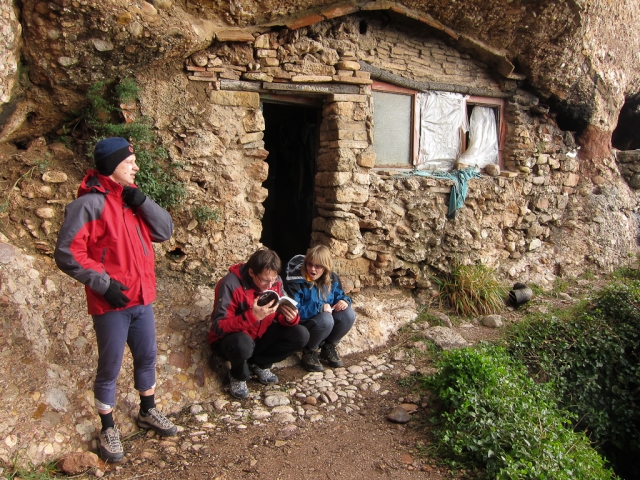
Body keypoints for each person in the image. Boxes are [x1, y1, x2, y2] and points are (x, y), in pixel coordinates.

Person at [54, 137, 177, 463]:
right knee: (109, 367)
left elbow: (165, 231)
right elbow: (67, 253)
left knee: (147, 356)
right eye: (129, 161)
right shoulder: (88, 206)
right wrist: (103, 283)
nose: (136, 166)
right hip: (110, 305)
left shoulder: (132, 201)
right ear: (112, 165)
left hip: (142, 300)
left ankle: (147, 410)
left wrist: (145, 201)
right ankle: (107, 426)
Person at [208, 249, 309, 399]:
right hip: (232, 341)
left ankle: (259, 364)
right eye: (264, 280)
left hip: (260, 335)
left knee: (301, 334)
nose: (269, 285)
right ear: (251, 272)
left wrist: (290, 318)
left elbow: (277, 314)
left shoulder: (275, 282)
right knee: (243, 344)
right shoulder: (230, 284)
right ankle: (238, 375)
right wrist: (252, 316)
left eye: (273, 280)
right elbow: (219, 326)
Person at [284, 245, 356, 372]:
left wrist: (344, 301)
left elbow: (340, 295)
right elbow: (294, 310)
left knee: (348, 314)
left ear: (325, 268)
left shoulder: (332, 278)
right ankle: (309, 351)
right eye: (310, 264)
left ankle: (328, 347)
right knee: (326, 319)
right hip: (304, 325)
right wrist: (319, 308)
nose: (312, 269)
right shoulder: (296, 281)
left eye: (318, 266)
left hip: (323, 323)